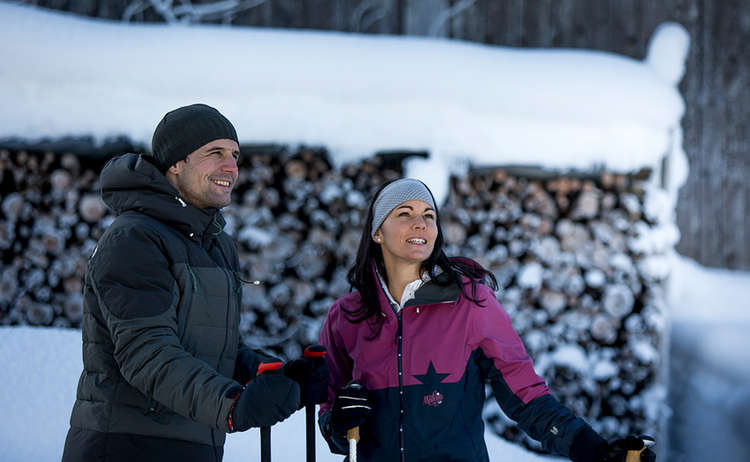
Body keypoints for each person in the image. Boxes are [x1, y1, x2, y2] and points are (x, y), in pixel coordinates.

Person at [317, 178, 656, 462]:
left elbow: (525, 395)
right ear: (378, 232)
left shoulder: (469, 303)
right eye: (404, 213)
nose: (420, 223)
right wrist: (338, 422)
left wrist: (594, 450)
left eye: (429, 215)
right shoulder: (346, 317)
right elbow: (331, 417)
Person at [61, 103, 328, 462]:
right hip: (126, 445)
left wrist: (276, 374)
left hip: (195, 445)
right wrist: (234, 405)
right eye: (214, 153)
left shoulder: (217, 246)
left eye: (234, 155)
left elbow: (211, 349)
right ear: (175, 163)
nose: (230, 167)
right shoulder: (135, 239)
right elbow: (147, 354)